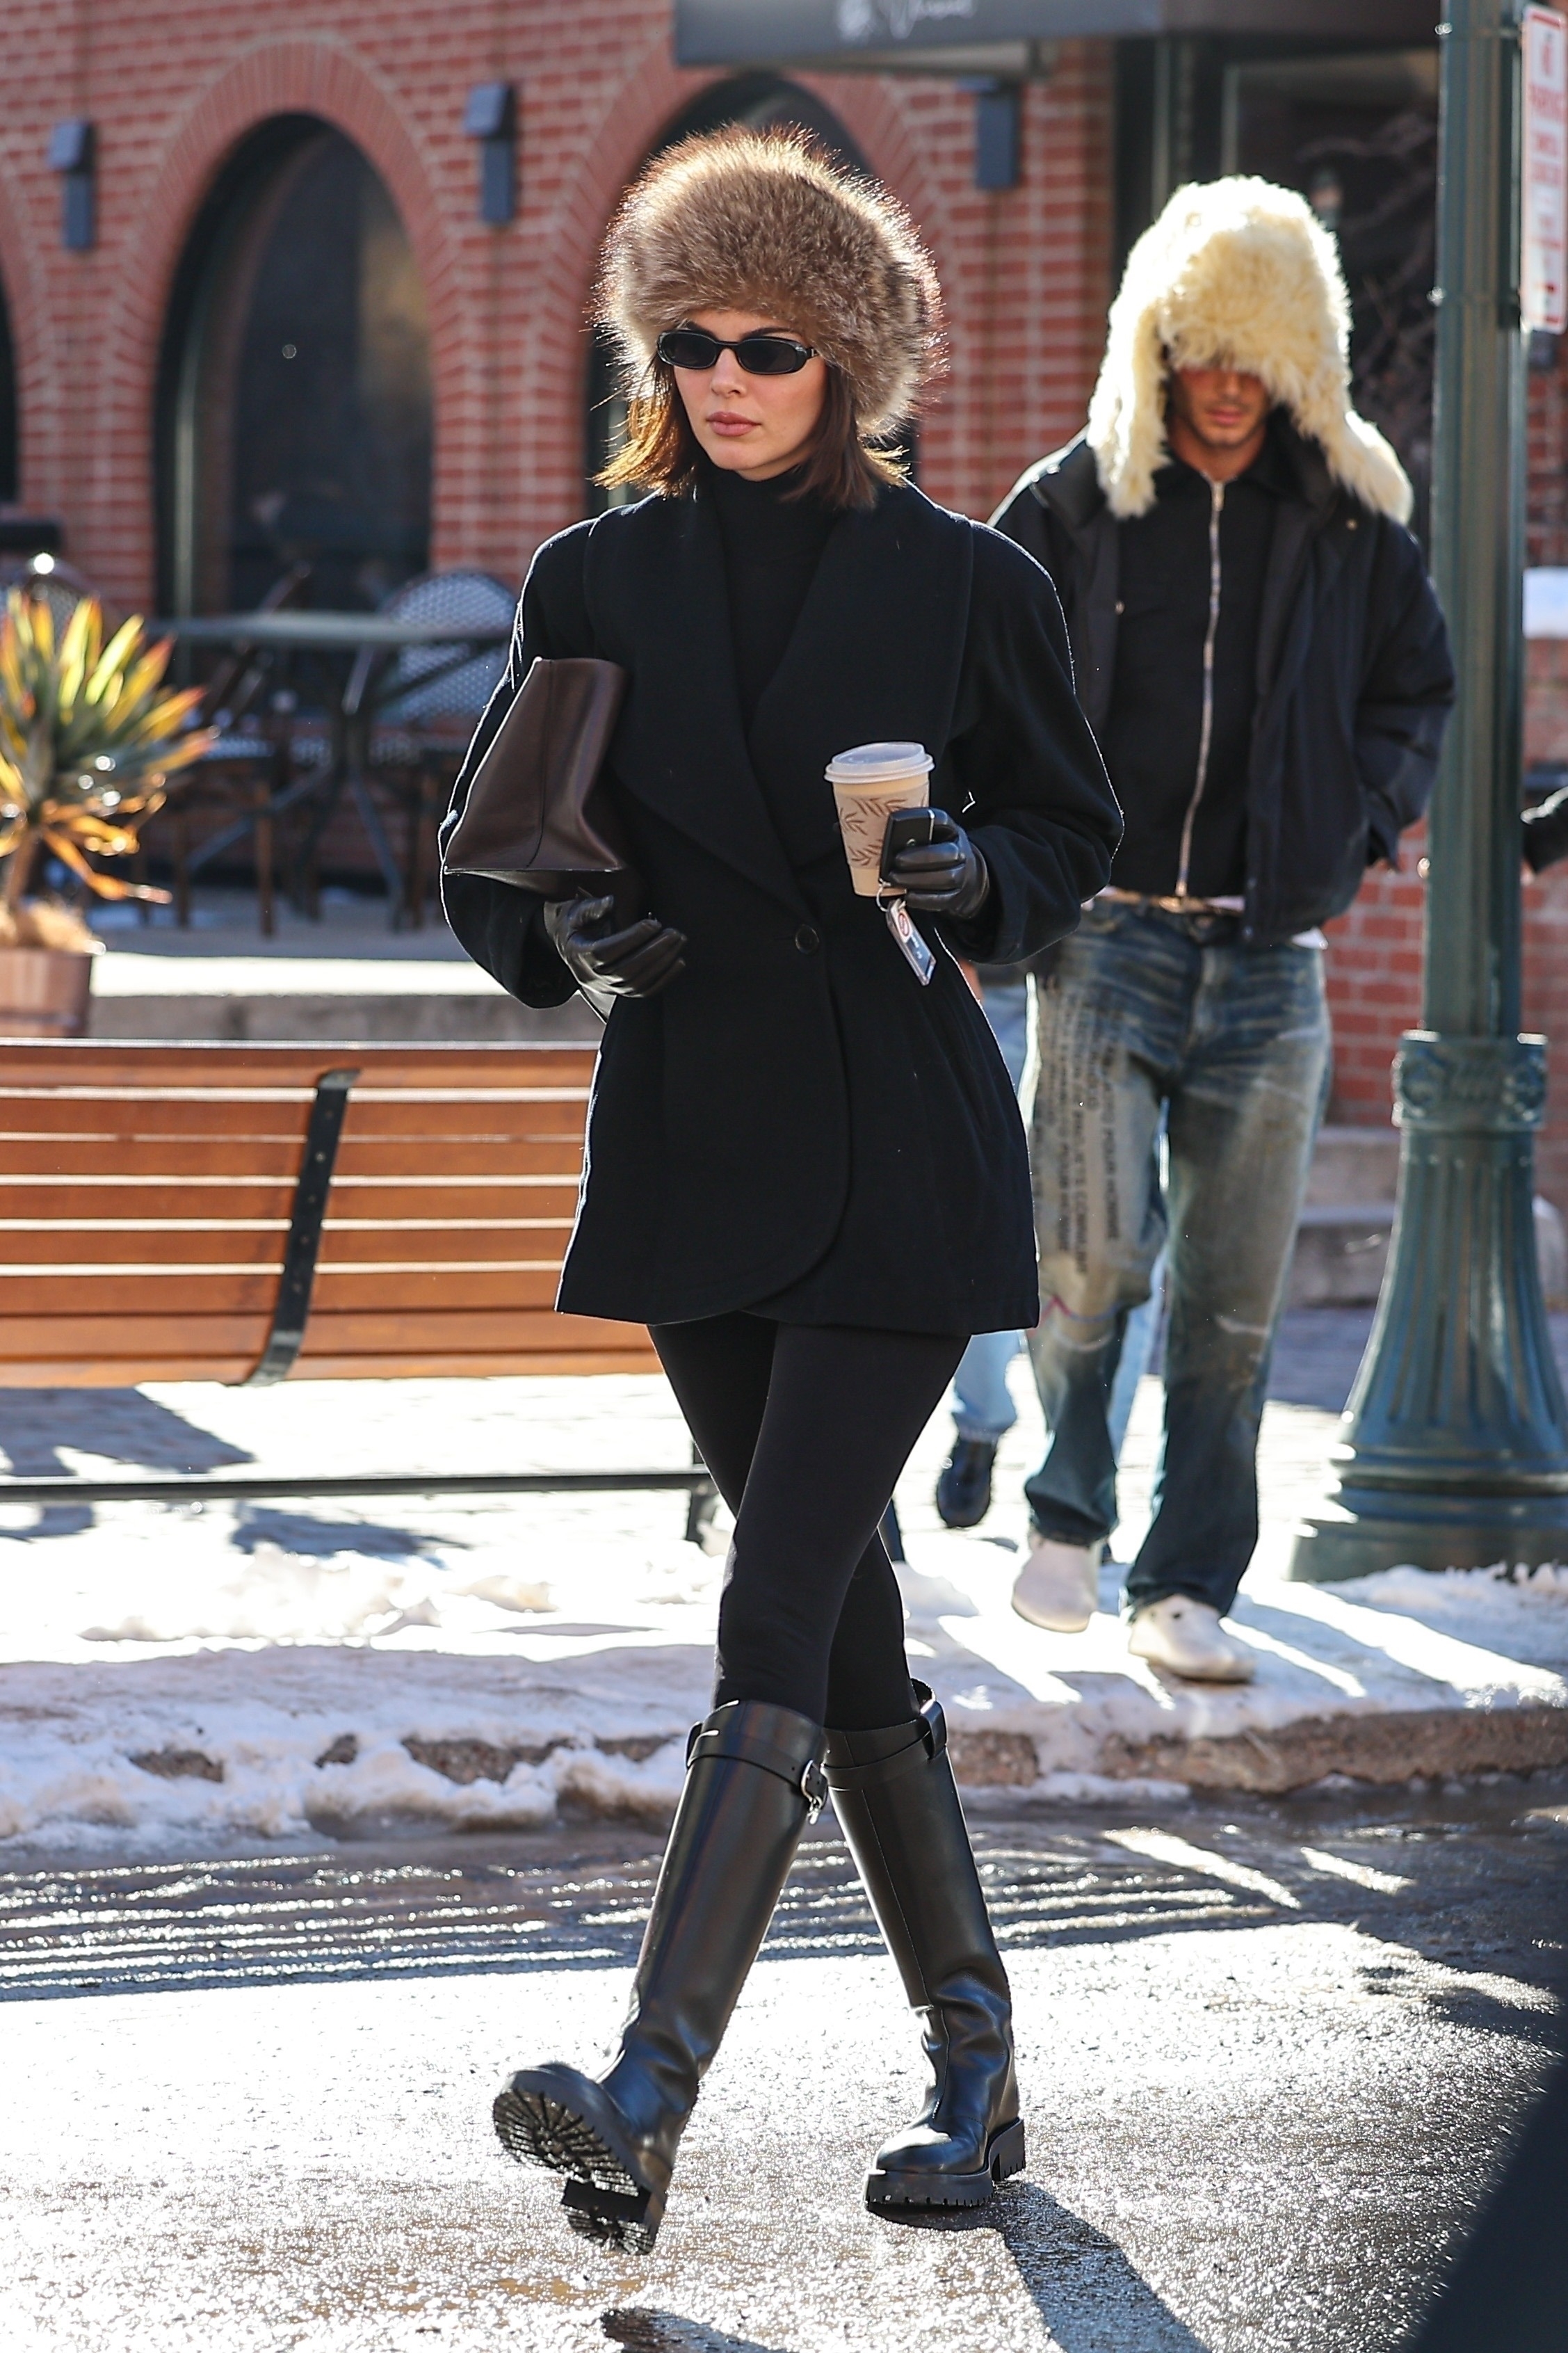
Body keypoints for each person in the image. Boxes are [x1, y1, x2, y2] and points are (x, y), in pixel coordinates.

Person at [441, 129, 1121, 2251]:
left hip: (896, 1150)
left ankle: (645, 2085)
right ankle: (978, 2063)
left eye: (770, 342)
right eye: (693, 339)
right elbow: (498, 862)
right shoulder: (593, 578)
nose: (727, 373)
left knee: (772, 1583)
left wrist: (969, 867)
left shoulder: (963, 583)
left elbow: (1064, 831)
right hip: (694, 1152)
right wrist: (581, 942)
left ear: (851, 356)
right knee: (832, 1621)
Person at [990, 177, 1454, 1680]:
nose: (1225, 383)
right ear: (1156, 343)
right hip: (1102, 936)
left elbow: (1416, 690)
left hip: (1270, 952)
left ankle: (1182, 1583)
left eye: (1254, 355)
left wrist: (1359, 821)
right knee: (1089, 1251)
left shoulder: (1343, 522)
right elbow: (978, 682)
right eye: (1200, 348)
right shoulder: (1068, 504)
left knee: (1232, 1301)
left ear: (1293, 358)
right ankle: (1065, 1506)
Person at [934, 956, 1164, 1531]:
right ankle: (981, 1423)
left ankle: (1085, 1476)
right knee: (982, 1221)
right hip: (997, 981)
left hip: (1123, 989)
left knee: (1116, 1249)